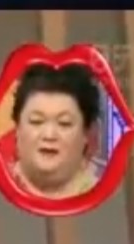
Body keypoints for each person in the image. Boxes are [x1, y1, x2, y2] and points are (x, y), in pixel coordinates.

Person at [8, 63, 103, 199]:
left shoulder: (102, 193)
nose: (49, 135)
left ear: (86, 133)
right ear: (17, 128)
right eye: (36, 121)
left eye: (64, 123)